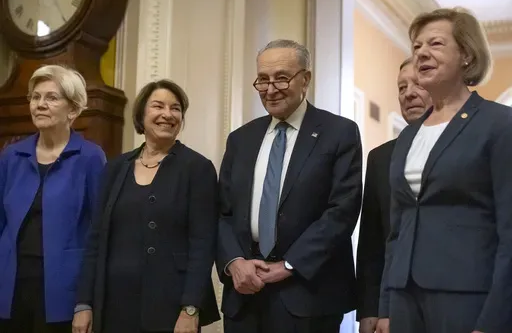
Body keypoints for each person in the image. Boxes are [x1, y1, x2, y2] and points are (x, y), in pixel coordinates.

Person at [376, 8, 512, 333]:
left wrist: (495, 319)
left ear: (466, 54)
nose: (421, 52)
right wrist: (386, 305)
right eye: (417, 46)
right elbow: (396, 231)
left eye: (435, 44)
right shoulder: (408, 135)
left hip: (469, 296)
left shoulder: (499, 125)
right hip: (404, 296)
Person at [217, 39, 363, 333]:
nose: (271, 89)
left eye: (281, 78)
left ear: (305, 79)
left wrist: (287, 266)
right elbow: (222, 212)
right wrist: (234, 262)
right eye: (262, 80)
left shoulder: (339, 133)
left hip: (309, 295)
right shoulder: (240, 139)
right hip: (245, 294)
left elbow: (342, 211)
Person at [73, 79, 220, 333]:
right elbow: (95, 239)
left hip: (170, 306)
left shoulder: (197, 168)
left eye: (175, 108)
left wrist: (191, 308)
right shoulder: (115, 168)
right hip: (112, 305)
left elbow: (203, 244)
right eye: (158, 106)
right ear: (142, 114)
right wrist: (83, 303)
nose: (167, 114)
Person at [0, 65, 106, 332]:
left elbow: (99, 233)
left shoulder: (91, 157)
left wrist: (86, 302)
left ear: (72, 109)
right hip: (9, 285)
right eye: (35, 97)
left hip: (63, 291)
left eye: (51, 98)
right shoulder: (12, 156)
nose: (40, 105)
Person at [356, 57, 431, 333]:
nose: (408, 93)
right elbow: (372, 243)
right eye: (401, 87)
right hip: (393, 307)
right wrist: (369, 311)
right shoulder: (380, 158)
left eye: (418, 84)